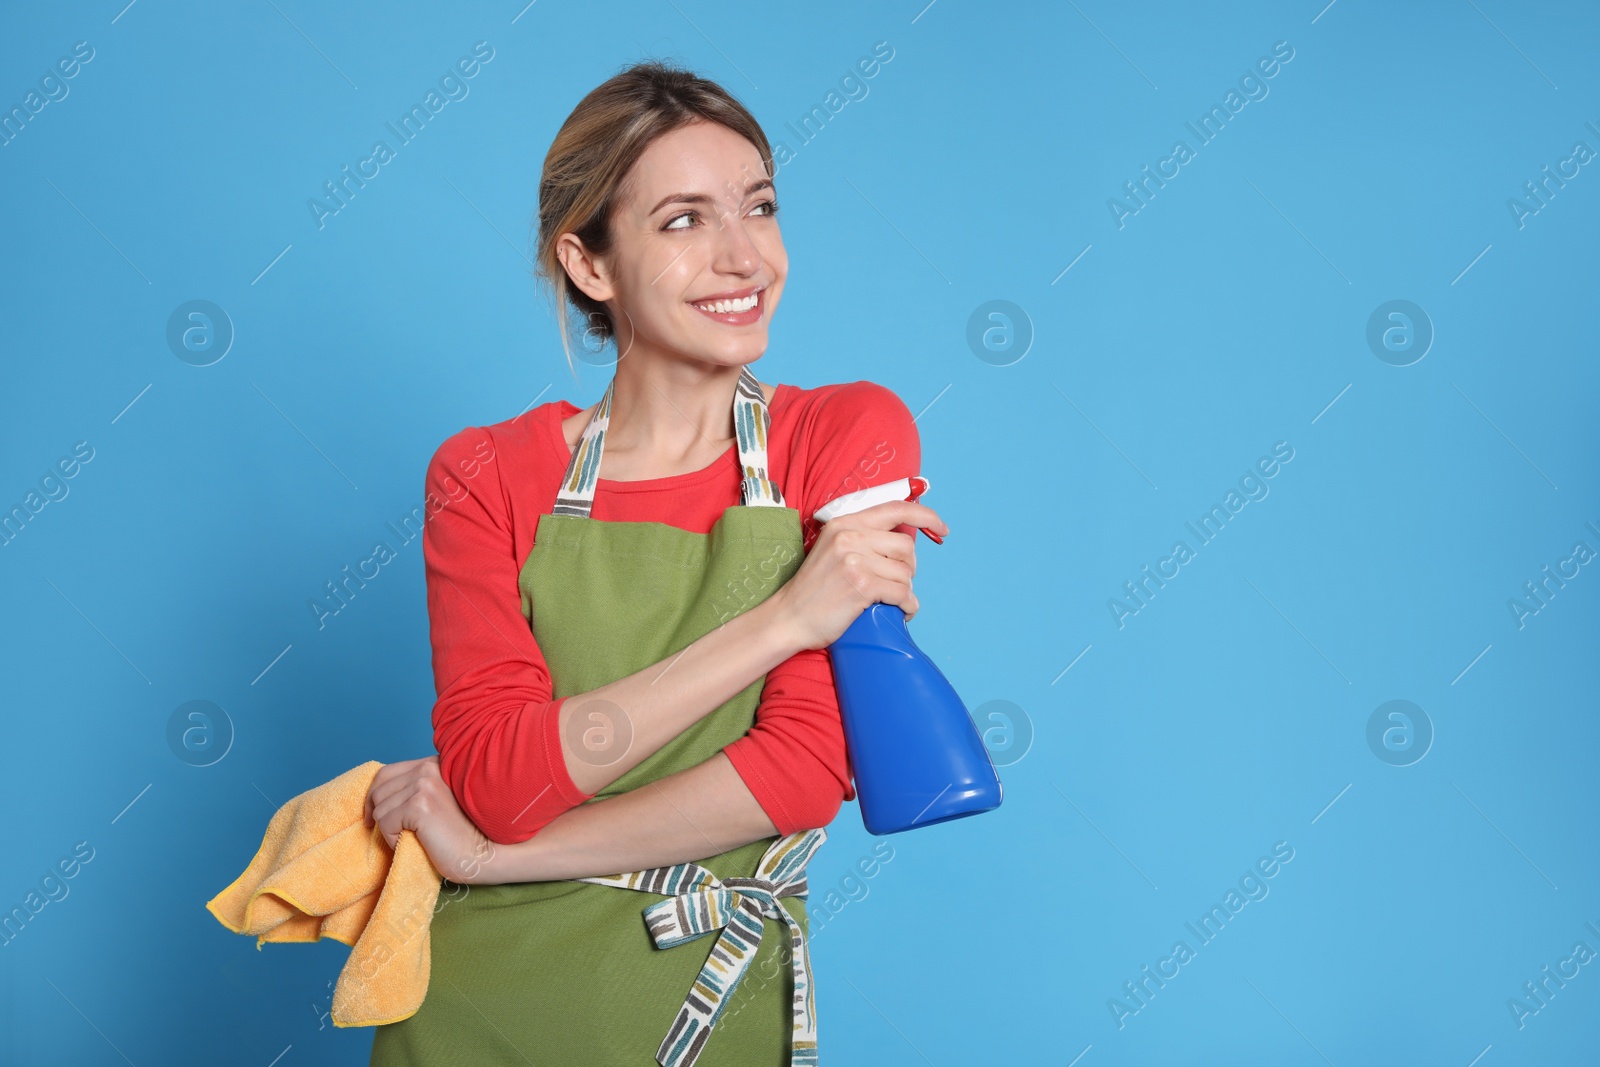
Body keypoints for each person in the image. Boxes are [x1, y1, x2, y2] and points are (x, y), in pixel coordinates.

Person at [362, 59, 948, 1067]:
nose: (743, 256)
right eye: (683, 221)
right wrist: (784, 619)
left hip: (706, 1003)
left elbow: (798, 775)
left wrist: (491, 858)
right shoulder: (486, 474)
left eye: (758, 206)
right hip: (475, 1011)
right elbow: (499, 778)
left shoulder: (843, 437)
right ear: (590, 265)